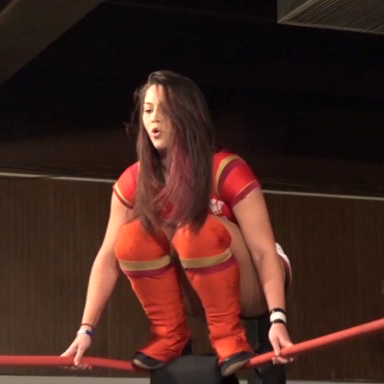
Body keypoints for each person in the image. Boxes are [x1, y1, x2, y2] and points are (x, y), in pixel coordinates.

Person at [62, 70, 293, 378]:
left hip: (255, 283)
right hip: (198, 283)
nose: (154, 119)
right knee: (131, 238)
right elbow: (107, 258)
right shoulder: (135, 180)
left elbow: (263, 251)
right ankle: (170, 334)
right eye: (148, 110)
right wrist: (85, 330)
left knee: (197, 230)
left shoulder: (225, 168)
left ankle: (229, 336)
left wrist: (278, 318)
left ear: (187, 115)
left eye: (165, 109)